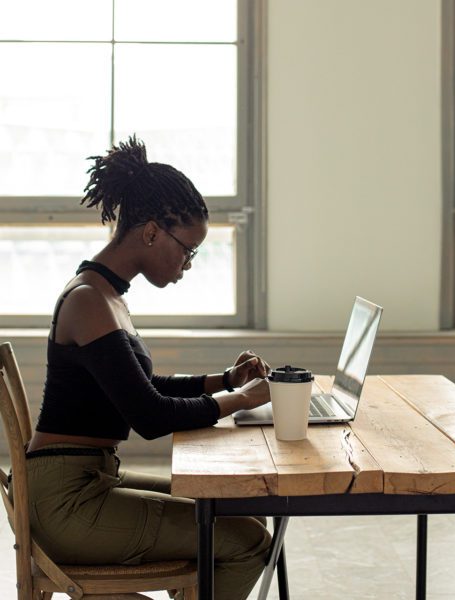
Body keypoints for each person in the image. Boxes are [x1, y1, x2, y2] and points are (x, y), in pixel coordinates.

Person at [23, 136, 272, 600]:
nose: (188, 265)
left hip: (85, 480)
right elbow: (150, 416)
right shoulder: (90, 300)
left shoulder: (105, 293)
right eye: (188, 250)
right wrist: (237, 402)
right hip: (67, 503)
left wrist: (226, 381)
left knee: (242, 517)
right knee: (248, 543)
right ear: (153, 231)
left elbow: (141, 387)